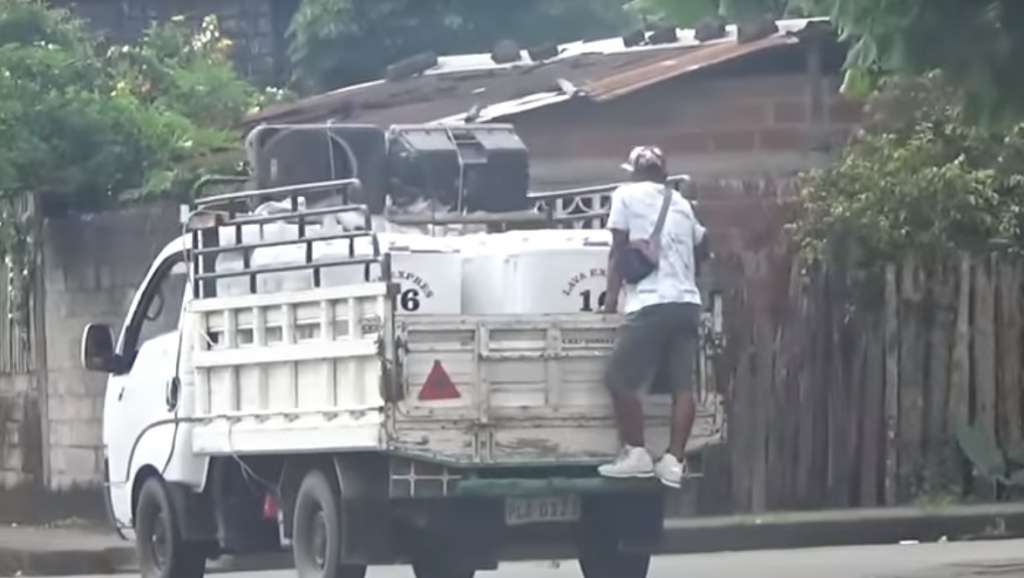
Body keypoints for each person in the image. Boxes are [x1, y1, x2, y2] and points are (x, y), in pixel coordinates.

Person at [598, 145, 708, 488]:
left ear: (634, 171)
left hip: (651, 302)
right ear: (662, 173)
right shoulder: (681, 203)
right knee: (681, 386)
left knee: (618, 378)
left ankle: (636, 453)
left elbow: (618, 249)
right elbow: (702, 246)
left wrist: (611, 299)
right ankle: (674, 460)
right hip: (688, 304)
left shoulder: (625, 195)